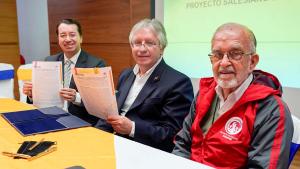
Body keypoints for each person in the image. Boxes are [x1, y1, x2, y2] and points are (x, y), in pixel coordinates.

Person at [172, 23, 294, 168]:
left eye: (235, 53)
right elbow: (183, 143)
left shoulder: (272, 110)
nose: (224, 63)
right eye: (217, 55)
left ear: (252, 62)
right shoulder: (204, 94)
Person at [95, 18, 194, 152]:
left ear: (162, 47)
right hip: (112, 144)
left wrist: (132, 128)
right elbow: (112, 114)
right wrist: (94, 136)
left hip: (144, 150)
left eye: (149, 43)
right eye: (137, 43)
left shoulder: (179, 82)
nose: (142, 49)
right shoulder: (126, 74)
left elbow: (172, 135)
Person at [23, 18, 106, 125]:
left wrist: (76, 97)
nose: (67, 39)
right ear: (58, 39)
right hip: (50, 117)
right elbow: (43, 97)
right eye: (63, 35)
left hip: (81, 121)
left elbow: (100, 103)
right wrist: (32, 94)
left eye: (72, 35)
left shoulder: (96, 65)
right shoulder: (49, 61)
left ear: (81, 38)